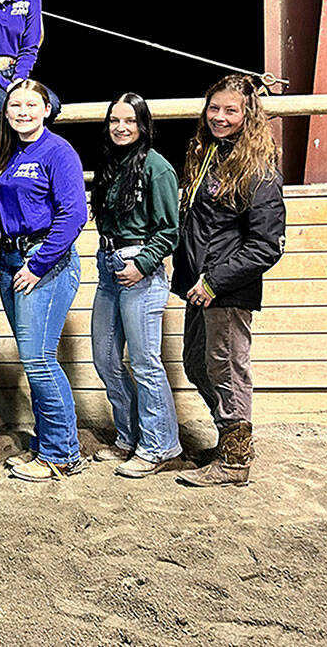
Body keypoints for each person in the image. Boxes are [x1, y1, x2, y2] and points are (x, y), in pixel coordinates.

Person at [173, 75, 286, 488]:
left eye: (230, 110)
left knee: (227, 369)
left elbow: (266, 245)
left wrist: (215, 281)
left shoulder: (257, 170)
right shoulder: (209, 155)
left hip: (225, 289)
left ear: (247, 114)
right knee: (196, 362)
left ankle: (236, 461)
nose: (219, 117)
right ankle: (227, 439)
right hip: (198, 286)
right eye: (214, 108)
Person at [0, 79, 88, 481]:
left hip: (42, 261)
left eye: (32, 104)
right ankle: (50, 443)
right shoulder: (10, 152)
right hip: (13, 259)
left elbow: (73, 216)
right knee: (36, 360)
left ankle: (63, 453)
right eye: (15, 105)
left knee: (40, 360)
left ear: (47, 109)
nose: (23, 111)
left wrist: (38, 264)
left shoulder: (58, 151)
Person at [88, 93, 183, 478]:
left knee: (145, 363)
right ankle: (129, 435)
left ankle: (160, 445)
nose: (121, 127)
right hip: (109, 265)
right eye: (115, 120)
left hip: (138, 268)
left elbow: (169, 230)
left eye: (129, 120)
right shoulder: (112, 164)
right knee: (105, 358)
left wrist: (142, 264)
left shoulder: (156, 168)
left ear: (142, 124)